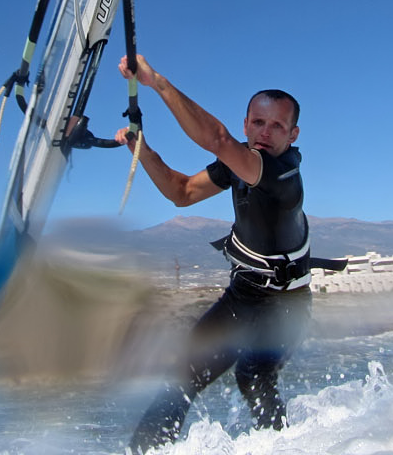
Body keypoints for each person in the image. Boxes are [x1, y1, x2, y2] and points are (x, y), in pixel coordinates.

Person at [114, 55, 313, 453]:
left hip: (286, 305)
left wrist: (159, 84)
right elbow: (182, 192)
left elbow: (218, 140)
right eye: (258, 122)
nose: (265, 132)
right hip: (243, 295)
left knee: (253, 376)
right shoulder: (237, 163)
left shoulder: (282, 174)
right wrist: (143, 151)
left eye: (277, 126)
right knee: (181, 374)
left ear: (293, 135)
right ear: (247, 124)